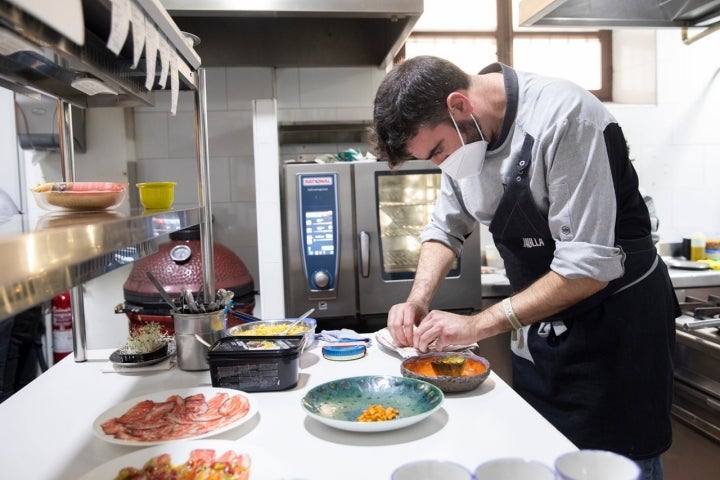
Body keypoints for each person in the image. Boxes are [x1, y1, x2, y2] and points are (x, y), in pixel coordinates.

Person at [370, 56, 678, 480]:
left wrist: (477, 326)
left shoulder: (564, 116)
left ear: (459, 106)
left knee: (617, 467)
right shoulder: (463, 139)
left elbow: (585, 268)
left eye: (439, 150)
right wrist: (417, 299)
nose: (442, 164)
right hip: (542, 335)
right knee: (544, 456)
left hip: (617, 334)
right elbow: (445, 227)